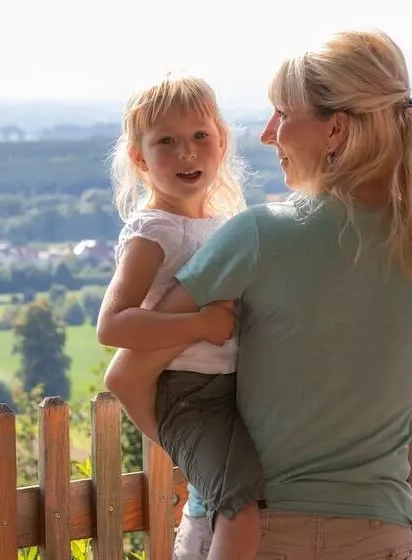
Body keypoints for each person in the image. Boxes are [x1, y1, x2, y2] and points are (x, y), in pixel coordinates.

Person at [104, 29, 412, 560]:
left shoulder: (259, 237)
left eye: (282, 113)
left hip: (252, 536)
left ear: (336, 130)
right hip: (381, 538)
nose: (266, 134)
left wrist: (214, 467)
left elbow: (127, 374)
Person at [98, 73, 264, 559]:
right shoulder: (155, 230)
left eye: (199, 137)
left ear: (222, 140)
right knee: (239, 508)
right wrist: (197, 325)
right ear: (139, 158)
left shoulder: (224, 222)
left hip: (237, 388)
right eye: (165, 142)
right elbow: (113, 325)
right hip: (190, 393)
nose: (186, 153)